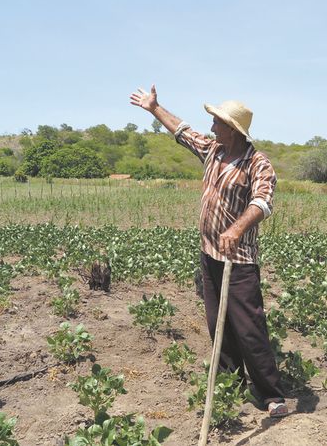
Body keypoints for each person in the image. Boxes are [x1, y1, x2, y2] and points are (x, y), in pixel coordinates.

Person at [129, 85, 287, 417]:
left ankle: (270, 394)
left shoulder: (257, 163)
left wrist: (237, 228)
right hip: (209, 253)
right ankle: (231, 384)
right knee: (219, 324)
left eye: (217, 122)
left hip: (238, 260)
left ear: (234, 129)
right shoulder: (213, 150)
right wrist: (154, 109)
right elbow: (183, 131)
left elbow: (262, 202)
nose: (212, 126)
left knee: (249, 327)